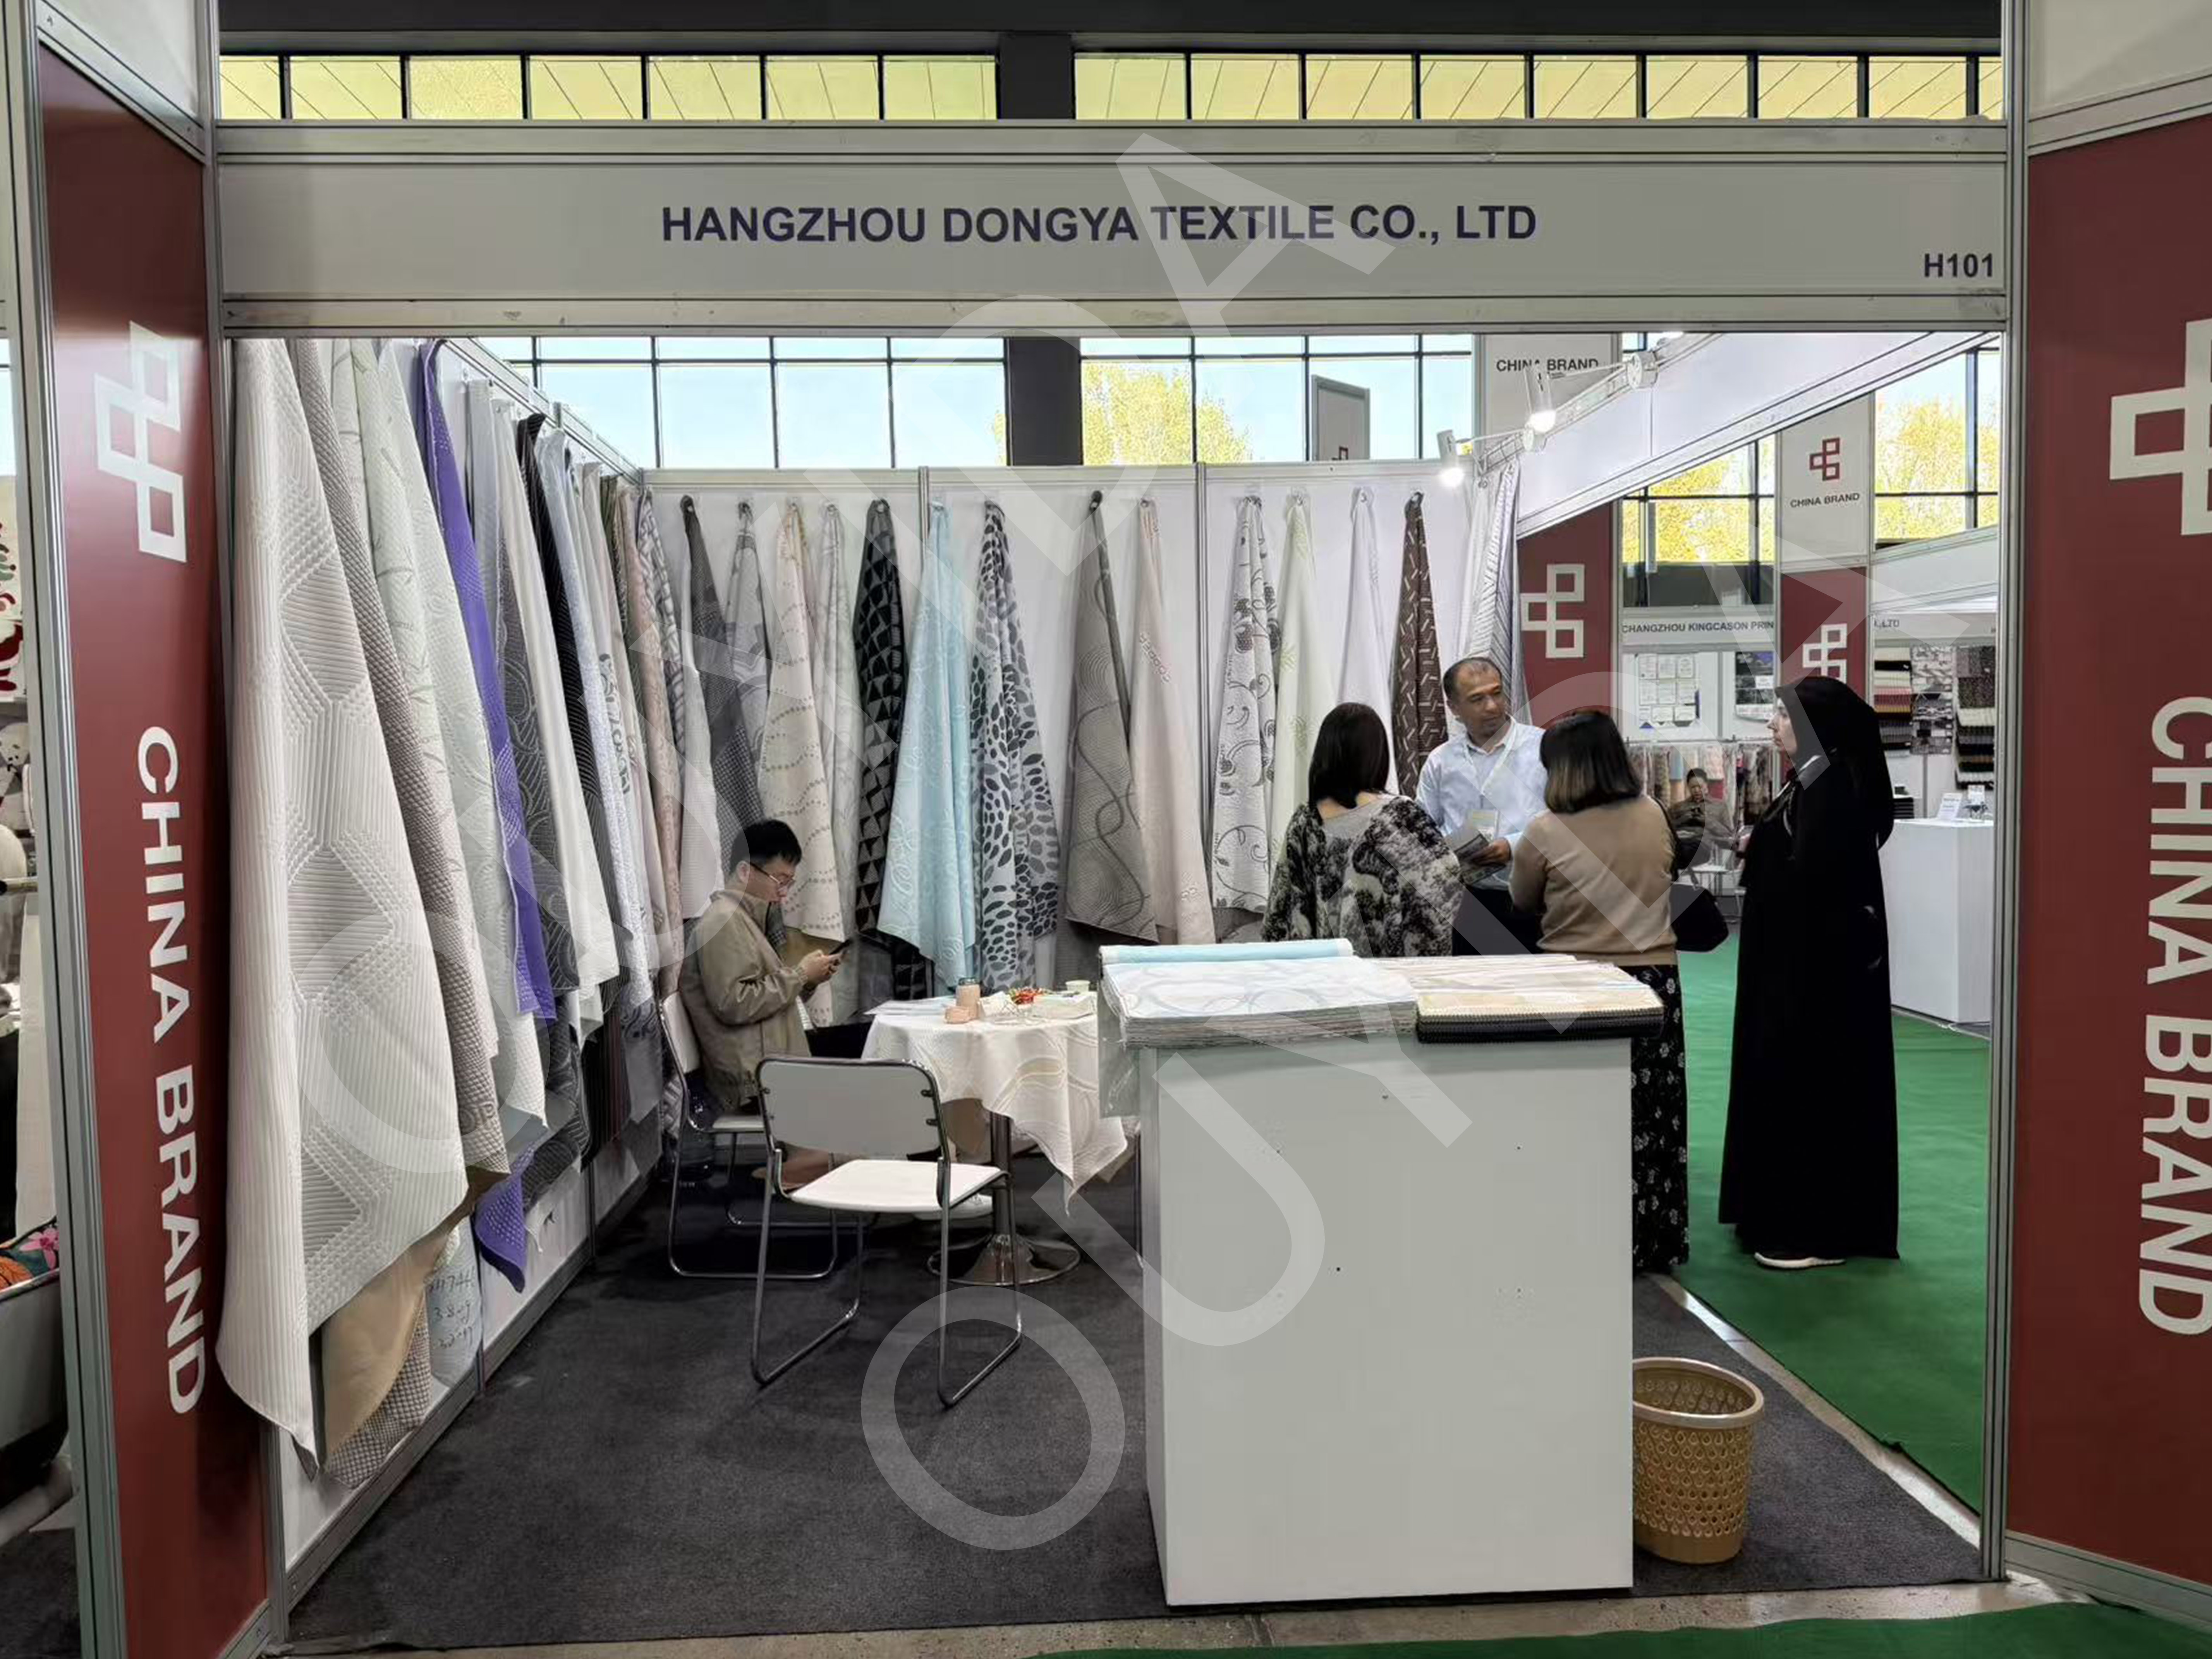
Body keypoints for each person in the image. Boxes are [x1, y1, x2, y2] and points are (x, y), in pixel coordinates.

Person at [1719, 677, 1899, 1270]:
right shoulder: (1813, 781)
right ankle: (1781, 1212)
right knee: (1785, 1081)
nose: (1773, 725)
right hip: (1791, 970)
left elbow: (1819, 889)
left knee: (1810, 1089)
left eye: (1784, 715)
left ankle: (1814, 1229)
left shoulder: (1831, 790)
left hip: (1813, 980)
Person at [1509, 712, 1688, 1273]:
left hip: (1574, 984)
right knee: (1653, 1119)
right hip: (1653, 982)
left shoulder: (1544, 832)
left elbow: (1522, 900)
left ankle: (1578, 1239)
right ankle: (1653, 1239)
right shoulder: (1654, 814)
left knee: (1575, 1118)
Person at [682, 819, 842, 1182]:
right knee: (877, 1067)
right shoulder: (723, 923)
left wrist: (808, 980)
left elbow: (758, 994)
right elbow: (735, 1003)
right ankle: (812, 1160)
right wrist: (799, 975)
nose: (783, 892)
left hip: (769, 1062)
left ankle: (814, 1159)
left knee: (867, 1046)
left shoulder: (741, 920)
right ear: (745, 871)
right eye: (779, 880)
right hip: (757, 1076)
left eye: (789, 882)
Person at [1264, 703, 1462, 958]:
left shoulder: (1304, 822)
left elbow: (1280, 913)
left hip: (1326, 973)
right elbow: (1444, 887)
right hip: (1392, 973)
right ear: (1377, 754)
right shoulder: (1400, 817)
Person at [1415, 656, 1548, 952]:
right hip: (1466, 901)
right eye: (1477, 699)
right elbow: (1423, 829)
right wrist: (1453, 850)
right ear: (1454, 708)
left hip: (1534, 901)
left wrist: (1514, 846)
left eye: (1497, 693)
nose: (1492, 706)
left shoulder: (1543, 748)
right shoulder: (1441, 761)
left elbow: (1567, 821)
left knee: (1535, 980)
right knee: (1472, 979)